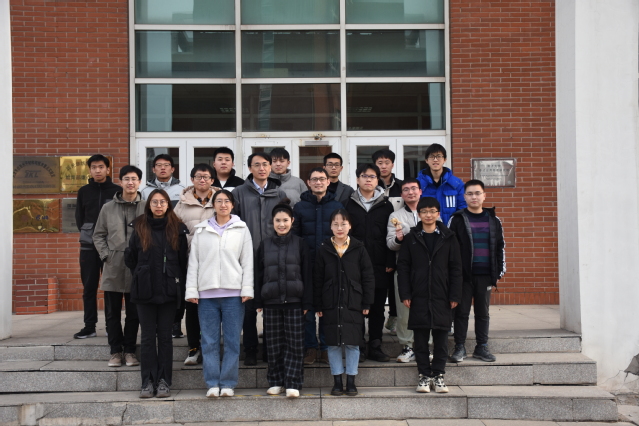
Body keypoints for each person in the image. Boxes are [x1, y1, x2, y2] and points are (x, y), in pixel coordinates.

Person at [185, 189, 254, 398]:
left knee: (232, 341)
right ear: (213, 205)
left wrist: (247, 288)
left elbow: (247, 261)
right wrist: (191, 290)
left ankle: (228, 383)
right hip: (207, 295)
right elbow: (194, 262)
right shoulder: (201, 230)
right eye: (219, 201)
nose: (223, 204)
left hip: (234, 295)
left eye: (227, 201)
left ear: (232, 205)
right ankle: (212, 383)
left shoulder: (241, 229)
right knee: (209, 341)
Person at [125, 189, 189, 398]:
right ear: (149, 205)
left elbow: (182, 261)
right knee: (147, 338)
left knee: (165, 338)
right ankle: (147, 382)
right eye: (155, 202)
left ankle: (164, 381)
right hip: (144, 291)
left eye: (162, 202)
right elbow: (131, 258)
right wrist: (143, 274)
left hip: (169, 291)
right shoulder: (139, 226)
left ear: (168, 204)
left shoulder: (177, 228)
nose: (159, 205)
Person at [397, 197, 462, 394]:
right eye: (424, 211)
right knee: (420, 339)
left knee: (441, 338)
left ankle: (439, 375)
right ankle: (424, 376)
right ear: (419, 214)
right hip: (419, 295)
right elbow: (403, 267)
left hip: (443, 294)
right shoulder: (412, 237)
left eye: (432, 211)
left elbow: (456, 268)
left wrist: (455, 295)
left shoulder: (449, 237)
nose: (428, 215)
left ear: (438, 214)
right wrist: (405, 293)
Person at [233, 152, 287, 365]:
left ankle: (270, 349)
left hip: (274, 257)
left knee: (272, 306)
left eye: (265, 164)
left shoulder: (279, 193)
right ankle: (250, 349)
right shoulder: (239, 193)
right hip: (246, 258)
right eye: (257, 165)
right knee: (248, 306)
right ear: (250, 168)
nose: (262, 168)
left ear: (270, 167)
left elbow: (286, 224)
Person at [254, 202, 312, 398]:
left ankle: (293, 382)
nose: (281, 224)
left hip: (295, 301)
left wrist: (307, 301)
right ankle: (276, 381)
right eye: (278, 220)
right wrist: (258, 301)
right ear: (272, 222)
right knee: (273, 344)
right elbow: (258, 273)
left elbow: (307, 274)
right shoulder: (265, 244)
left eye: (285, 220)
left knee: (295, 344)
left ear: (292, 221)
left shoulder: (300, 244)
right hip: (271, 302)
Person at [314, 209, 374, 397]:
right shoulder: (324, 248)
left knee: (352, 343)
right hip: (330, 302)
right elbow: (317, 278)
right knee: (332, 343)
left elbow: (368, 277)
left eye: (343, 224)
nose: (339, 228)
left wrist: (367, 303)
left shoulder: (358, 248)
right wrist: (318, 304)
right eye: (336, 224)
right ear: (330, 227)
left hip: (353, 302)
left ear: (350, 226)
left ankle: (351, 380)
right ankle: (337, 381)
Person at [93, 165, 146, 368]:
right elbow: (98, 235)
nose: (130, 182)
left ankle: (130, 350)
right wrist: (106, 255)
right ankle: (115, 351)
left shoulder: (146, 207)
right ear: (120, 181)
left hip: (138, 267)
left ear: (139, 182)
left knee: (134, 313)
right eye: (126, 179)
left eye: (134, 179)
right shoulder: (108, 208)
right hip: (113, 265)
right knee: (112, 313)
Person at [448, 179, 506, 363]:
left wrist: (498, 272)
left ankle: (482, 347)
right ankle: (459, 347)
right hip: (463, 277)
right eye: (470, 193)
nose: (474, 197)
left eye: (477, 193)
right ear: (464, 196)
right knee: (461, 313)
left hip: (485, 275)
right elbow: (449, 249)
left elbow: (500, 247)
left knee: (483, 313)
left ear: (484, 196)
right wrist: (452, 275)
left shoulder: (494, 220)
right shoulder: (457, 219)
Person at [292, 167, 344, 365]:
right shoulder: (300, 207)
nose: (319, 182)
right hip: (306, 265)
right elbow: (295, 236)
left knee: (328, 308)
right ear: (308, 182)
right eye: (314, 179)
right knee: (307, 309)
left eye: (322, 179)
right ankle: (310, 347)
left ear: (328, 182)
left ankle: (325, 347)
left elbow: (342, 234)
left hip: (331, 265)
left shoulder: (337, 206)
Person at [345, 163, 395, 362]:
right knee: (356, 306)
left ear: (378, 180)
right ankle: (358, 346)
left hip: (379, 264)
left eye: (372, 176)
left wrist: (390, 260)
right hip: (354, 264)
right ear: (358, 179)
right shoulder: (348, 204)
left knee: (377, 308)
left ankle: (375, 345)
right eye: (364, 176)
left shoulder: (386, 205)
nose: (368, 180)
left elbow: (389, 234)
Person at [173, 164, 221, 363]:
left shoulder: (220, 200)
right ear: (192, 179)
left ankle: (212, 347)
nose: (202, 180)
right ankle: (193, 347)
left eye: (206, 177)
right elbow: (173, 232)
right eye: (198, 177)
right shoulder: (181, 204)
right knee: (192, 306)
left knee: (214, 306)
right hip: (189, 262)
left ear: (212, 180)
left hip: (215, 263)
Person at [73, 154, 120, 339]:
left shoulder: (117, 190)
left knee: (111, 288)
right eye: (94, 167)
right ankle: (89, 326)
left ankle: (111, 326)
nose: (97, 170)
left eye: (101, 167)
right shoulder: (84, 191)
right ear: (90, 170)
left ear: (108, 169)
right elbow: (79, 217)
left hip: (111, 246)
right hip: (89, 246)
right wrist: (90, 235)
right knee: (89, 287)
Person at [386, 179, 423, 363]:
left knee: (425, 308)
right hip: (404, 269)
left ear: (420, 191)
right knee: (404, 310)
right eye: (406, 190)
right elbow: (390, 244)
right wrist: (399, 239)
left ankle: (425, 346)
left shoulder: (429, 211)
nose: (410, 192)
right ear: (401, 195)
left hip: (427, 270)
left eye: (413, 189)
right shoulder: (396, 215)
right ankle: (407, 346)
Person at [372, 149, 403, 336]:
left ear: (392, 164)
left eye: (386, 162)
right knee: (381, 283)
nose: (383, 166)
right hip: (377, 240)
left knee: (396, 283)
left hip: (396, 240)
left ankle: (394, 316)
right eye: (379, 163)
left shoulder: (401, 187)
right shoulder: (370, 186)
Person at [416, 143, 466, 225]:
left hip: (451, 230)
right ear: (426, 160)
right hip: (426, 229)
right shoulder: (419, 184)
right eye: (432, 157)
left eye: (439, 156)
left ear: (444, 159)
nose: (435, 160)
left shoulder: (456, 184)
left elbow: (462, 208)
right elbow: (414, 208)